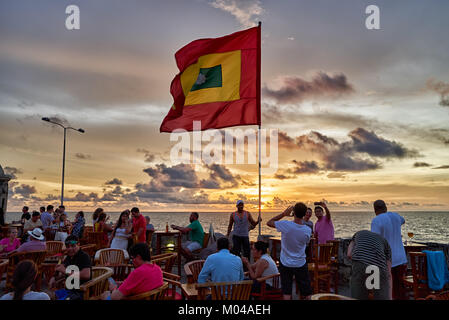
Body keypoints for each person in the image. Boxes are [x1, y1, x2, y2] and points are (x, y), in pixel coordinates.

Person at [267, 203, 313, 300]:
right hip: (300, 263)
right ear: (305, 214)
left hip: (286, 263)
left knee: (287, 291)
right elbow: (306, 243)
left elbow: (269, 222)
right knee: (307, 292)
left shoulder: (285, 225)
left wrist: (284, 214)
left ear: (293, 213)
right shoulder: (307, 230)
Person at [370, 199, 407, 300]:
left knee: (388, 290)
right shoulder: (396, 216)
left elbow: (375, 241)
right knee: (400, 289)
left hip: (387, 260)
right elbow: (403, 220)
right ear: (386, 207)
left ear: (375, 210)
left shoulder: (376, 220)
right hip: (401, 258)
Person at [347, 230, 392, 300]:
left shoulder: (359, 234)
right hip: (379, 268)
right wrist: (389, 297)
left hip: (360, 264)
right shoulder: (385, 242)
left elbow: (349, 254)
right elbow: (389, 274)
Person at [50, 235, 92, 300]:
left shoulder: (84, 256)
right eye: (67, 247)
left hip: (80, 292)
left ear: (78, 244)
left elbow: (86, 275)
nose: (70, 249)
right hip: (69, 291)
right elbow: (65, 273)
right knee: (49, 296)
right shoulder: (68, 257)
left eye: (73, 246)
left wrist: (65, 270)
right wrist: (55, 278)